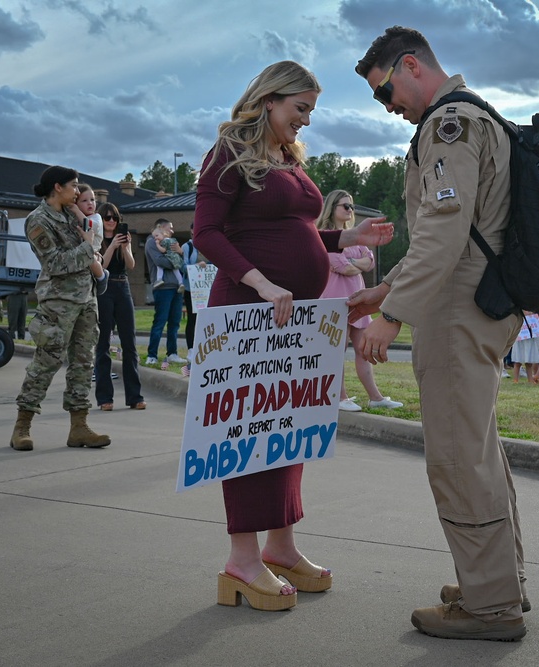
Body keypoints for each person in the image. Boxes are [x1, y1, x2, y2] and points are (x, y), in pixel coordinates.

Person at [193, 60, 394, 612]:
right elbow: (206, 231)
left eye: (310, 110)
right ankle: (241, 558)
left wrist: (343, 235)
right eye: (299, 108)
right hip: (250, 311)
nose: (305, 120)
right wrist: (258, 281)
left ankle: (281, 546)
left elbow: (294, 229)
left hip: (297, 316)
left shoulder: (286, 156)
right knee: (250, 431)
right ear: (268, 100)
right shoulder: (229, 151)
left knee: (292, 425)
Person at [350, 26, 528, 641]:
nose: (389, 106)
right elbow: (452, 231)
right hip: (481, 301)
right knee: (476, 448)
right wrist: (384, 289)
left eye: (385, 93)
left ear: (410, 66)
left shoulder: (448, 124)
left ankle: (490, 608)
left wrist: (391, 314)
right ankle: (498, 583)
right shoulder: (477, 116)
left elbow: (444, 233)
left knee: (456, 455)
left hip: (459, 309)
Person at [9, 165, 110, 452]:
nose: (78, 192)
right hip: (57, 304)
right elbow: (53, 264)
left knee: (83, 363)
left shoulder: (71, 214)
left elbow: (94, 242)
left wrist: (91, 239)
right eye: (74, 186)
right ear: (57, 187)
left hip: (86, 300)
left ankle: (79, 427)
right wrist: (87, 247)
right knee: (46, 362)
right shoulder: (38, 220)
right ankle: (22, 427)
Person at [315, 189, 403, 412]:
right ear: (332, 208)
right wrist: (355, 262)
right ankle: (339, 396)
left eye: (352, 206)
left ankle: (375, 396)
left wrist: (351, 261)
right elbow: (341, 266)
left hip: (358, 302)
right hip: (335, 302)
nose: (350, 210)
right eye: (345, 206)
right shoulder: (325, 236)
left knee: (364, 349)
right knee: (337, 350)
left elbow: (369, 261)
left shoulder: (355, 236)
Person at [94, 203, 144, 411]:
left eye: (114, 217)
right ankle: (105, 398)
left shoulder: (124, 238)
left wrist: (124, 247)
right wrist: (112, 245)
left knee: (129, 344)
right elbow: (100, 267)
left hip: (122, 287)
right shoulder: (96, 239)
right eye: (106, 218)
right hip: (104, 288)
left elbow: (131, 265)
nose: (111, 221)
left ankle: (135, 396)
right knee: (103, 344)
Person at [144, 219, 186, 366]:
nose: (173, 231)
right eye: (170, 227)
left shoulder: (170, 242)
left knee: (174, 323)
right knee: (160, 322)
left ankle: (172, 353)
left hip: (177, 288)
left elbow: (182, 259)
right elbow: (160, 261)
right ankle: (152, 355)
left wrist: (178, 256)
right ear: (161, 227)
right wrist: (176, 260)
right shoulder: (151, 242)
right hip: (162, 288)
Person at [180, 234, 205, 377]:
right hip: (192, 289)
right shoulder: (187, 247)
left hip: (207, 289)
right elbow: (182, 266)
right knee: (193, 319)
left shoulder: (209, 244)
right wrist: (195, 266)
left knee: (205, 320)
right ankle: (191, 350)